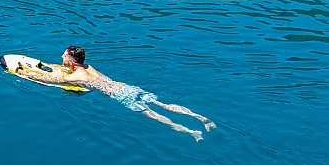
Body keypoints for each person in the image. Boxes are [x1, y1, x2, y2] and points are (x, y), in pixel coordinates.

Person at [21, 45, 216, 141]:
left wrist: (25, 73)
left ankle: (191, 132)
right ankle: (202, 118)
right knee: (162, 105)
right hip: (128, 87)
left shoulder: (77, 75)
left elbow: (51, 79)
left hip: (121, 96)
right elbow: (62, 69)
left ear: (71, 61)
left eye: (64, 56)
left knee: (153, 115)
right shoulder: (88, 67)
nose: (61, 56)